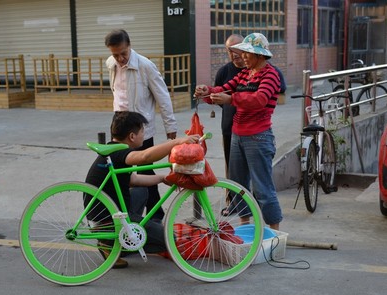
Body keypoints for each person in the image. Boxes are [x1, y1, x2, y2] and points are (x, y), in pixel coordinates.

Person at [85, 111, 199, 268]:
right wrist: (177, 142)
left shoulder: (112, 151)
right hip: (108, 221)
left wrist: (161, 178)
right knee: (170, 240)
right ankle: (114, 244)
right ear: (132, 136)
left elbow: (133, 180)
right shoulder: (120, 153)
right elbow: (145, 157)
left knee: (141, 191)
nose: (144, 135)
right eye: (142, 132)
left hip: (104, 214)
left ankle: (122, 239)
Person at [194, 33, 283, 230]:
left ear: (260, 55)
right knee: (239, 186)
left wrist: (231, 99)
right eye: (242, 52)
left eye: (246, 53)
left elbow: (259, 100)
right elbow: (224, 89)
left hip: (258, 137)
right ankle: (245, 227)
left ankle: (275, 233)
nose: (242, 56)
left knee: (262, 188)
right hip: (237, 135)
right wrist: (206, 91)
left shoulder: (271, 74)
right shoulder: (244, 74)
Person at [105, 29, 178, 223]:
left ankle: (155, 215)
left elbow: (163, 97)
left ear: (129, 46)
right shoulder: (111, 64)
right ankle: (126, 214)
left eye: (123, 53)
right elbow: (117, 93)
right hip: (119, 126)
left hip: (139, 129)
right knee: (121, 173)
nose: (120, 58)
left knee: (145, 171)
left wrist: (170, 128)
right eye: (115, 54)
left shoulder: (145, 66)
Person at [214, 34, 245, 178]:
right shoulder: (224, 72)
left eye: (236, 49)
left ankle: (254, 200)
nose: (233, 54)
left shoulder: (255, 70)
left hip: (251, 130)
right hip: (229, 129)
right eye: (229, 50)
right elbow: (218, 97)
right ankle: (231, 198)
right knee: (232, 170)